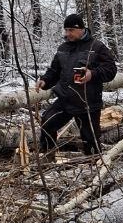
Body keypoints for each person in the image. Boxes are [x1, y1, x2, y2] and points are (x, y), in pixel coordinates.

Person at [36, 13, 117, 155]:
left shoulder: (96, 47)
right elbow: (54, 70)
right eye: (66, 30)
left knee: (90, 141)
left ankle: (95, 165)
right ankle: (48, 158)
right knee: (47, 123)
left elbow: (111, 70)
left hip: (88, 103)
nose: (68, 34)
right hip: (65, 99)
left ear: (81, 29)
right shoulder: (63, 48)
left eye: (71, 30)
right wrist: (45, 80)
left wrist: (92, 74)